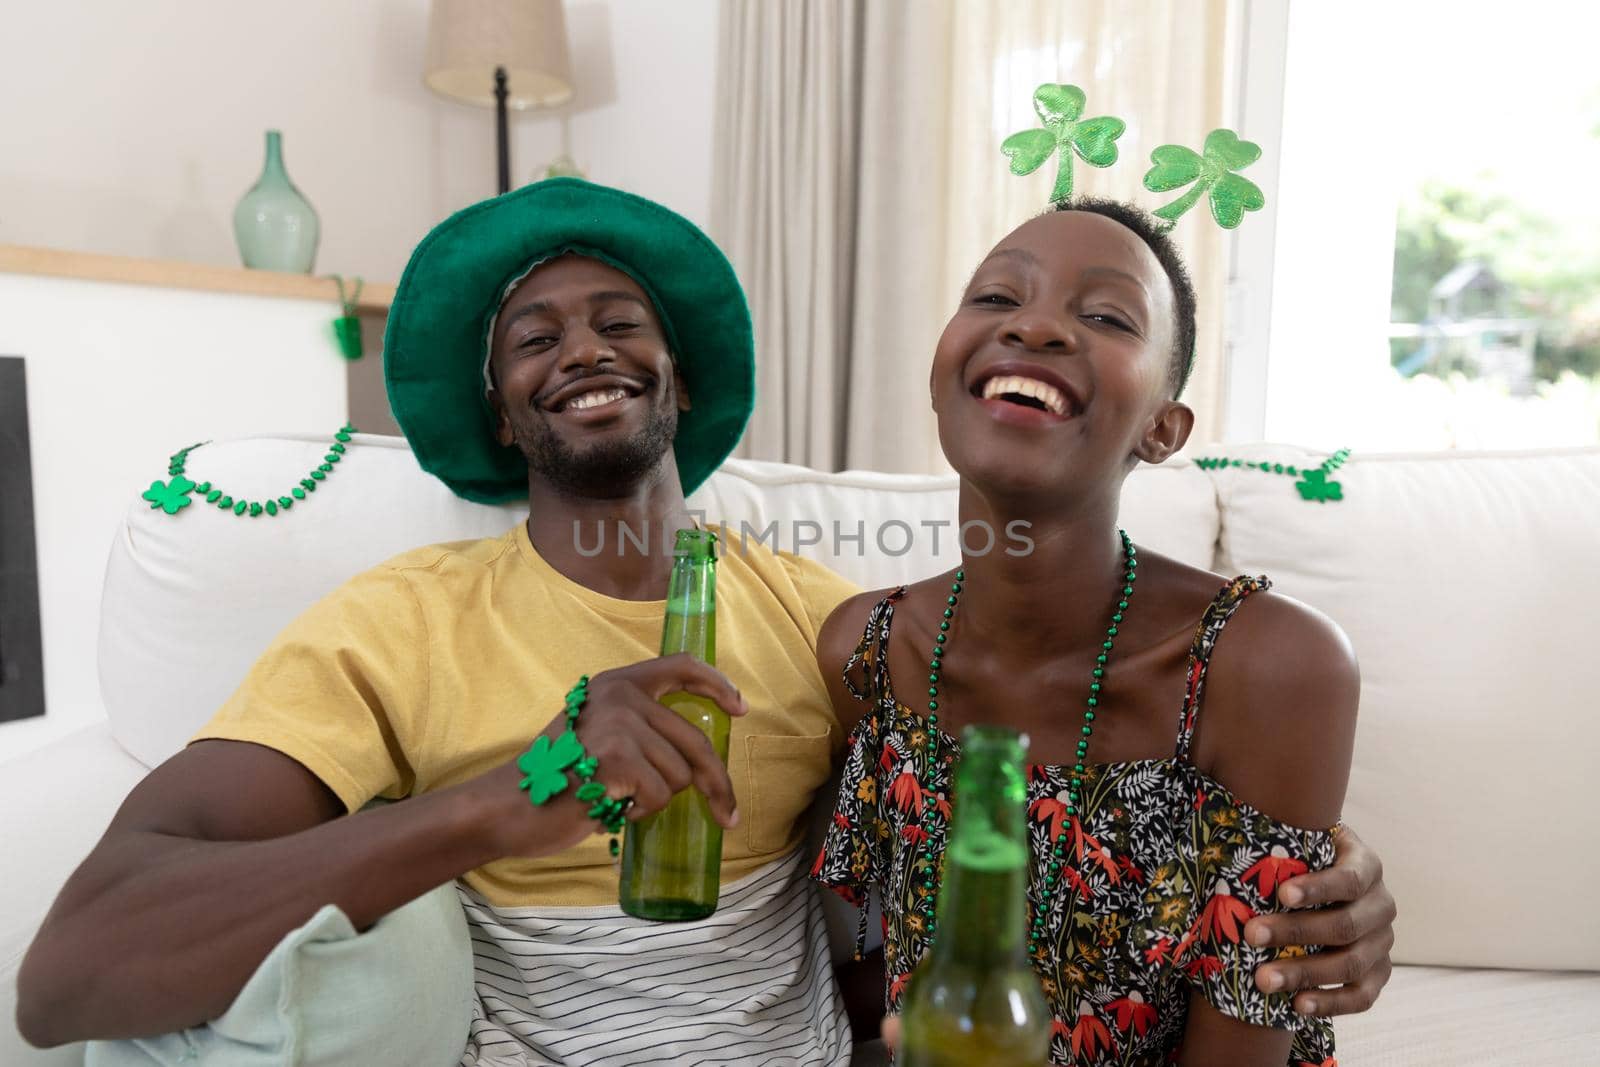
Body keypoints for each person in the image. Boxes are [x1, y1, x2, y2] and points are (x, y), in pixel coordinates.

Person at [17, 180, 1392, 1066]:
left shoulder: (824, 624)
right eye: (534, 336)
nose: (586, 347)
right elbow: (67, 973)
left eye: (623, 321)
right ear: (500, 408)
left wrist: (1321, 893)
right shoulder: (393, 625)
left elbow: (998, 836)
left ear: (681, 377)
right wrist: (516, 793)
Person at [813, 198, 1376, 1065]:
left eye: (1108, 316)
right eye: (998, 299)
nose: (1035, 325)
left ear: (1162, 427)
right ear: (939, 374)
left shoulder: (1267, 665)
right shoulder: (865, 649)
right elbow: (872, 968)